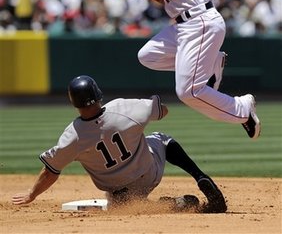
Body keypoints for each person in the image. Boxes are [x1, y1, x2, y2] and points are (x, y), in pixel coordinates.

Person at [96, 0, 261, 140]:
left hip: (198, 23)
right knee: (148, 56)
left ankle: (242, 108)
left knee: (189, 92)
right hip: (189, 23)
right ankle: (212, 61)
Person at [12, 75, 227, 213]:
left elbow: (51, 171)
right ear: (97, 94)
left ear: (73, 102)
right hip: (149, 175)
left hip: (118, 193)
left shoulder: (72, 136)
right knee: (162, 138)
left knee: (126, 207)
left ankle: (170, 206)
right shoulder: (124, 108)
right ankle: (201, 178)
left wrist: (32, 194)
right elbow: (162, 111)